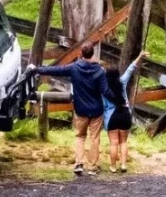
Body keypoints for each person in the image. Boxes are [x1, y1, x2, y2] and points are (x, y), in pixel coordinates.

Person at [29, 43, 110, 176]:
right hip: (96, 110)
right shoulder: (100, 71)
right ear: (93, 54)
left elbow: (56, 70)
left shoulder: (74, 68)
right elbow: (105, 91)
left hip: (81, 109)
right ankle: (93, 166)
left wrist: (37, 69)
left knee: (80, 136)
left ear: (81, 54)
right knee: (95, 138)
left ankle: (79, 163)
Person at [104, 50, 149, 173]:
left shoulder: (104, 89)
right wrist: (140, 56)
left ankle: (113, 166)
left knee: (113, 143)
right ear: (117, 74)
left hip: (112, 117)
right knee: (123, 141)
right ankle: (123, 164)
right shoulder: (122, 82)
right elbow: (130, 69)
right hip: (124, 114)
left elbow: (103, 106)